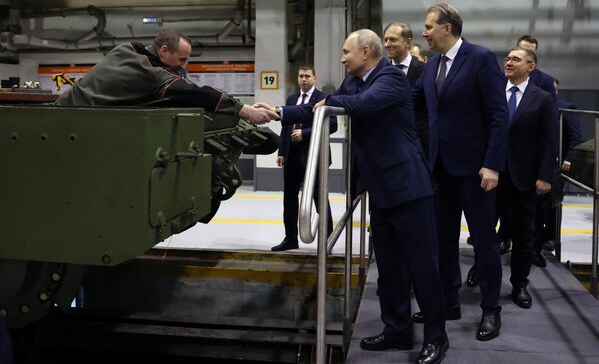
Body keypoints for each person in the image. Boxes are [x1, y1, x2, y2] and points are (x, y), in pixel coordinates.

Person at [256, 29, 448, 364]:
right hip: (381, 189)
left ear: (364, 51)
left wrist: (328, 101)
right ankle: (397, 329)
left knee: (422, 266)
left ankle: (436, 337)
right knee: (388, 267)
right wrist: (278, 113)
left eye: (346, 53)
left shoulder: (390, 78)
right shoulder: (354, 82)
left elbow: (362, 105)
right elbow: (320, 108)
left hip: (408, 187)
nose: (342, 59)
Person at [411, 3, 508, 342]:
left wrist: (493, 163)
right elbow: (414, 101)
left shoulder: (480, 58)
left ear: (447, 28)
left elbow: (499, 115)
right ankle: (448, 301)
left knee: (485, 243)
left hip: (477, 171)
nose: (423, 33)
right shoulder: (431, 65)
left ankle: (491, 310)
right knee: (442, 242)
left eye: (428, 27)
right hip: (439, 169)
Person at [56, 29, 276, 124]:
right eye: (181, 60)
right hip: (69, 120)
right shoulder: (150, 72)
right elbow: (193, 93)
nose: (185, 65)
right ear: (163, 51)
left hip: (66, 109)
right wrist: (243, 110)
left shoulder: (128, 48)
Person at [498, 47, 557, 308]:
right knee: (484, 231)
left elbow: (549, 141)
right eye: (507, 59)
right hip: (492, 175)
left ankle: (520, 283)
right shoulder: (494, 94)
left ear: (530, 67)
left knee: (524, 234)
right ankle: (480, 270)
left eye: (515, 60)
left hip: (525, 177)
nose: (508, 63)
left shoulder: (542, 98)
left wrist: (546, 176)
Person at [271, 66, 337, 251]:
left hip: (315, 157)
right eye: (301, 76)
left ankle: (326, 242)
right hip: (292, 157)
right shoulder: (292, 99)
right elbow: (286, 127)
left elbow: (332, 125)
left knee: (320, 199)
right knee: (289, 199)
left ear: (314, 78)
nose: (303, 79)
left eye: (307, 76)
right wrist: (281, 151)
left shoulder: (322, 98)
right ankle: (290, 238)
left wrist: (305, 133)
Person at [533, 79, 582, 264]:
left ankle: (550, 237)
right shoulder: (534, 104)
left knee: (552, 204)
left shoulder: (566, 107)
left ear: (556, 88)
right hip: (535, 163)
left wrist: (568, 158)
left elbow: (575, 136)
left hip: (556, 164)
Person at [384, 22, 429, 158]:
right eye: (385, 40)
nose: (387, 44)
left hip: (420, 146)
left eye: (393, 39)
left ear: (408, 43)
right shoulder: (380, 72)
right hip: (388, 146)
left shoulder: (425, 70)